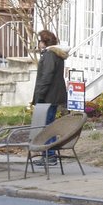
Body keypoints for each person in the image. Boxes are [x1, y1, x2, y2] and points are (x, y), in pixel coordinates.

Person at [32, 29, 68, 166]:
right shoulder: (56, 54)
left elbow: (46, 77)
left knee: (46, 127)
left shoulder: (49, 55)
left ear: (45, 42)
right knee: (49, 125)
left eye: (40, 40)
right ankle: (49, 154)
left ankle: (49, 155)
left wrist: (39, 96)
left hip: (48, 97)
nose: (38, 43)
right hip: (53, 95)